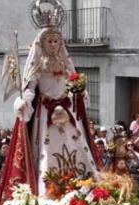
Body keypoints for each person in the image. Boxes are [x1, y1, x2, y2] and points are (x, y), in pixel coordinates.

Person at [11, 24, 100, 195]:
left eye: (56, 41)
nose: (53, 44)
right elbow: (30, 86)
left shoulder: (65, 62)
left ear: (61, 44)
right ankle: (49, 190)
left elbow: (73, 79)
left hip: (67, 110)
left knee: (75, 143)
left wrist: (80, 91)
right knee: (48, 149)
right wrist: (25, 101)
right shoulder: (38, 64)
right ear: (42, 44)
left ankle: (83, 180)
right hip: (46, 112)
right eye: (49, 41)